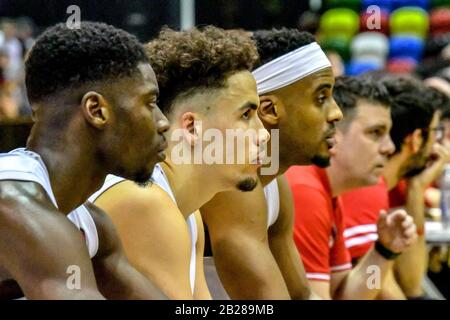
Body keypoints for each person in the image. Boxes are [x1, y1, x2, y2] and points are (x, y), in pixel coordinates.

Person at [89, 26, 268, 299]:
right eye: (246, 115)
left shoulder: (187, 213)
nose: (264, 134)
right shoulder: (144, 201)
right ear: (192, 127)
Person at [0, 22, 169, 300]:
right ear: (96, 110)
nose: (163, 122)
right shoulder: (12, 201)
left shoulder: (92, 226)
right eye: (149, 103)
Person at [200, 28, 342, 299]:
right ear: (269, 110)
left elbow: (301, 294)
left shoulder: (274, 182)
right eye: (321, 98)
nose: (337, 113)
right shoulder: (230, 184)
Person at [286, 76, 417, 300]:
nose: (389, 147)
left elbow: (347, 295)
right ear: (333, 136)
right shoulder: (304, 191)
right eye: (375, 133)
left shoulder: (330, 192)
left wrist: (383, 253)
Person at [341, 76, 449, 299]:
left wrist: (416, 189)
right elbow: (379, 286)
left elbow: (408, 281)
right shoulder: (368, 189)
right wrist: (381, 256)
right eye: (435, 132)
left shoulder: (392, 184)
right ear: (417, 138)